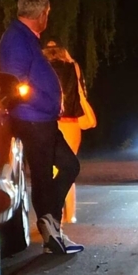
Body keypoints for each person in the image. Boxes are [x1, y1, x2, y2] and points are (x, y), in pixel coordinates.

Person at [0, 0, 83, 254]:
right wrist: (43, 101)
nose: (48, 19)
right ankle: (51, 231)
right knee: (45, 175)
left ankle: (51, 225)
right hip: (33, 119)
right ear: (42, 14)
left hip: (42, 118)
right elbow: (15, 84)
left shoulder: (26, 38)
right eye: (47, 14)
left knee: (67, 166)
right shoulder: (17, 40)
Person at [43, 40, 96, 225]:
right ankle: (69, 214)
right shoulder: (73, 67)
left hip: (47, 121)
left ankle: (50, 212)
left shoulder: (40, 67)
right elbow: (80, 92)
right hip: (71, 121)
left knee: (48, 167)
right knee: (68, 166)